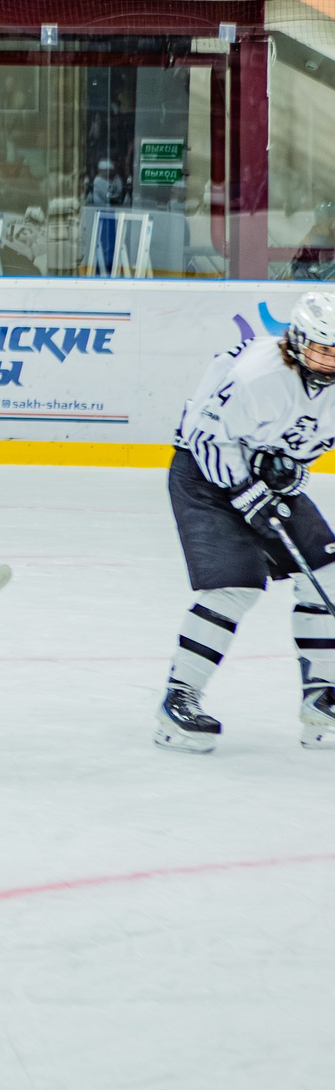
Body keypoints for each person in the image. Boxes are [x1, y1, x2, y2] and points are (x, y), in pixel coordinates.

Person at [154, 290, 335, 752]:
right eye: (321, 348)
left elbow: (308, 444)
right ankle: (179, 701)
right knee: (238, 584)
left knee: (328, 575)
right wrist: (250, 492)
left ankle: (322, 701)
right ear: (297, 341)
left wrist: (289, 471)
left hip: (261, 470)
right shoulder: (258, 375)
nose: (330, 360)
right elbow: (204, 435)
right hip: (205, 474)